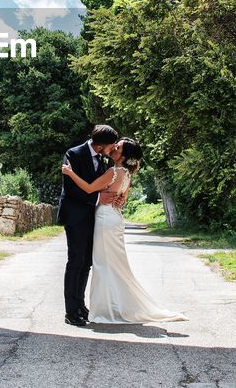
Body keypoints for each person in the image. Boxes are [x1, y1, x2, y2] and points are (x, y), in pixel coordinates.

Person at [62, 137, 186, 324]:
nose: (113, 148)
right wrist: (121, 199)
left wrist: (70, 173)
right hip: (114, 218)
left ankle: (106, 309)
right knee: (113, 265)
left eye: (117, 147)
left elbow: (89, 188)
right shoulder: (127, 173)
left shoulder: (113, 171)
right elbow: (123, 197)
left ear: (124, 155)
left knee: (103, 265)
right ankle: (108, 306)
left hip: (105, 220)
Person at [58, 125, 126, 327]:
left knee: (87, 261)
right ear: (100, 145)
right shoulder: (74, 154)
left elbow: (104, 184)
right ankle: (70, 311)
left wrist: (117, 196)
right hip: (76, 216)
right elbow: (70, 189)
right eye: (111, 145)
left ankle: (80, 306)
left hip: (93, 217)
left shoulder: (104, 158)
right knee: (76, 260)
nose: (113, 148)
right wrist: (97, 198)